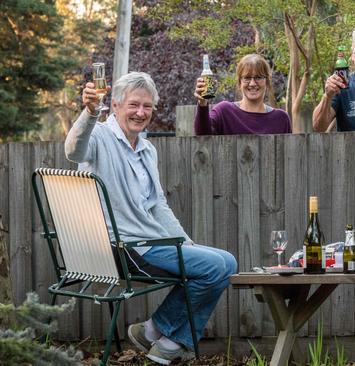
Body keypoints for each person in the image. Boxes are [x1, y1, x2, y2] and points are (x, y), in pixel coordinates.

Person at [65, 72, 238, 365]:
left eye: (147, 106)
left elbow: (158, 205)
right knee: (211, 269)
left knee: (228, 262)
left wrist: (186, 242)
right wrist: (90, 112)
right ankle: (165, 340)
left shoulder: (147, 149)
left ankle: (155, 331)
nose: (140, 113)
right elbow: (73, 150)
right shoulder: (99, 138)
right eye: (134, 105)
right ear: (116, 105)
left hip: (152, 243)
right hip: (122, 248)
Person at [194, 54, 292, 135]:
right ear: (239, 82)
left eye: (258, 77)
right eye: (247, 78)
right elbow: (202, 136)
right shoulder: (224, 112)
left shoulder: (281, 119)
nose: (253, 83)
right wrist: (202, 103)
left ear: (267, 81)